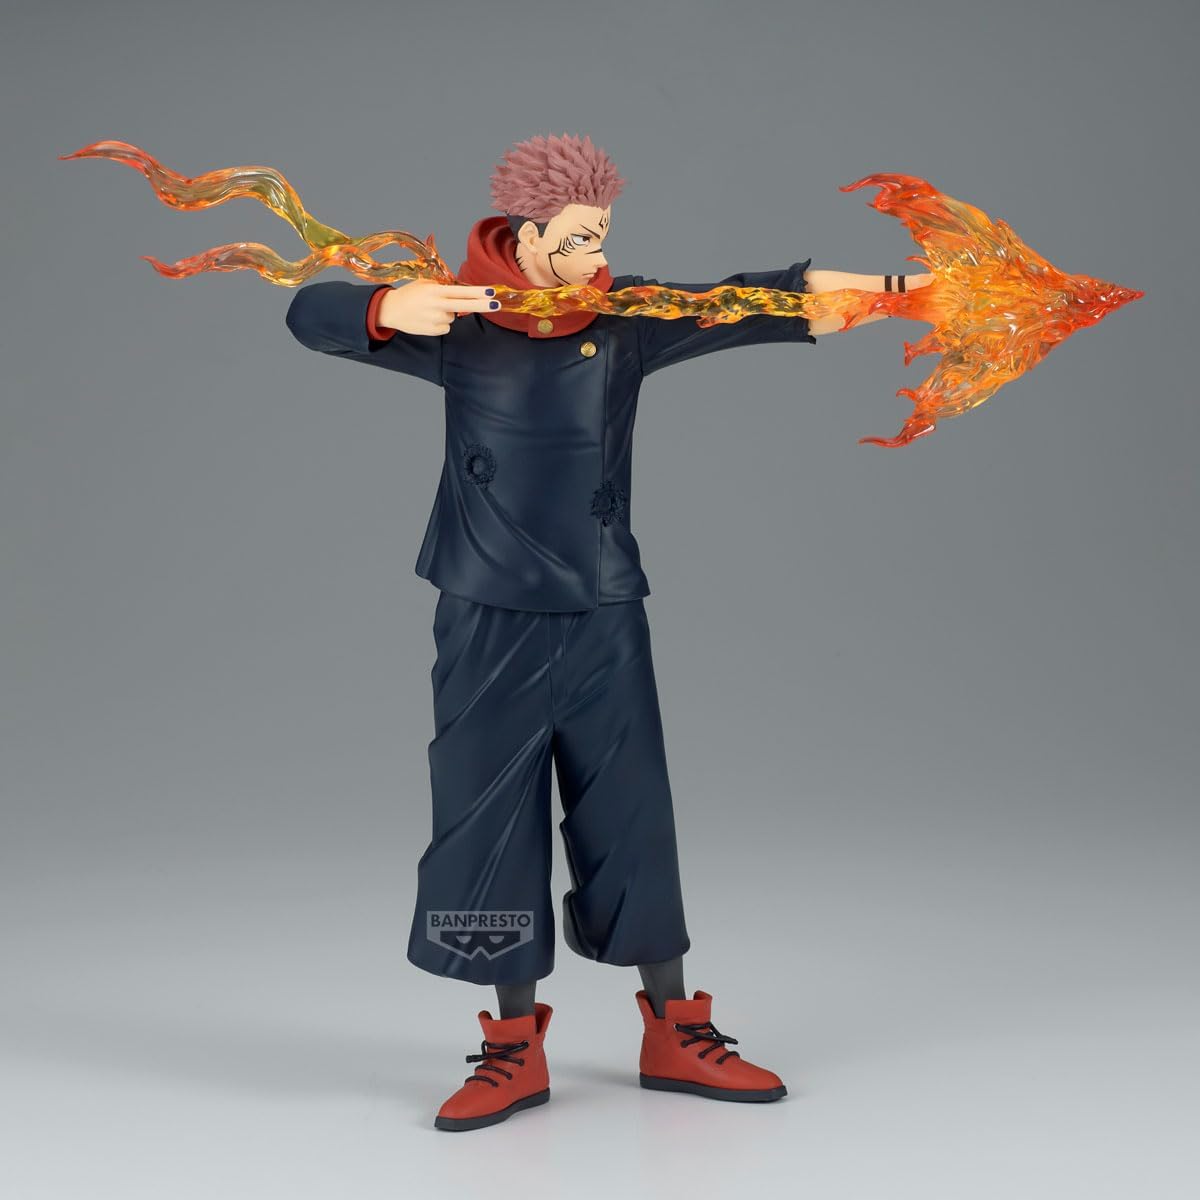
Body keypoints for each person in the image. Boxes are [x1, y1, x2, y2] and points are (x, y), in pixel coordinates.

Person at [284, 132, 930, 1131]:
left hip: (602, 603)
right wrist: (382, 306)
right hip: (487, 608)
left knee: (632, 814)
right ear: (527, 235)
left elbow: (757, 298)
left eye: (603, 236)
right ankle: (511, 1045)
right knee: (484, 821)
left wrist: (904, 292)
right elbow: (306, 313)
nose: (598, 255)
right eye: (581, 238)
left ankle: (675, 1028)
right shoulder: (460, 319)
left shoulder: (624, 318)